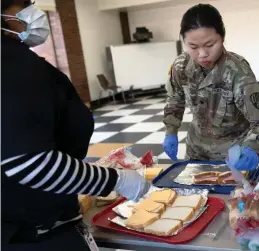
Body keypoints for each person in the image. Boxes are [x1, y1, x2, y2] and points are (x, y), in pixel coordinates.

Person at [1, 1, 149, 250]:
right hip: (32, 234)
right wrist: (117, 180)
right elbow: (28, 162)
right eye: (24, 5)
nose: (32, 12)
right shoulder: (11, 64)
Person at [163, 4, 259, 171]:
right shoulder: (180, 66)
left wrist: (252, 148)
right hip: (196, 150)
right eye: (193, 47)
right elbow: (175, 99)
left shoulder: (237, 72)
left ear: (222, 37)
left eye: (210, 45)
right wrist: (171, 131)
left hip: (232, 156)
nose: (202, 54)